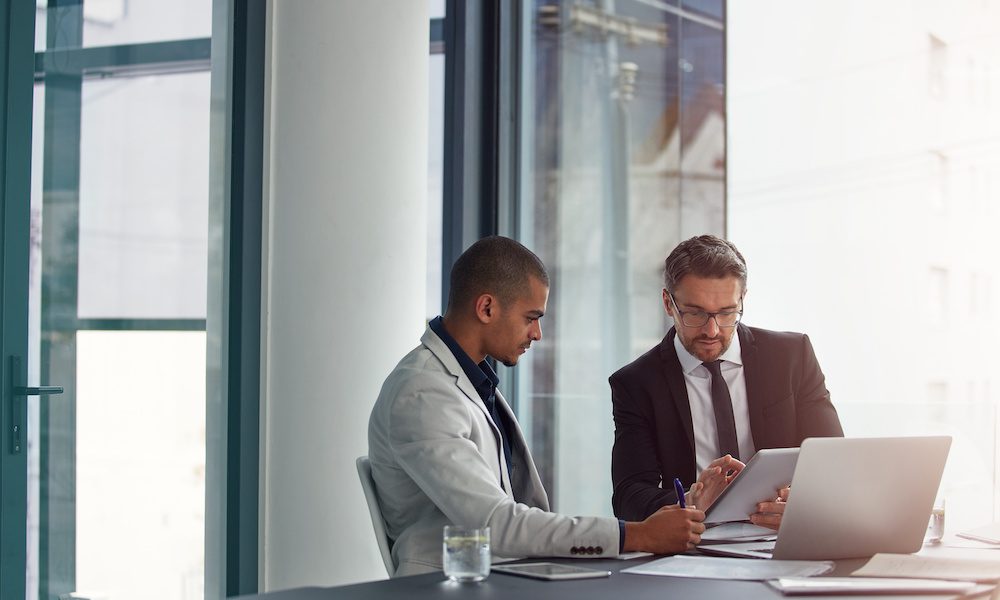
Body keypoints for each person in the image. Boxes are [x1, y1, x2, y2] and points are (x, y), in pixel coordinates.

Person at [369, 236, 711, 577]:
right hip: (449, 584)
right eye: (531, 317)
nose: (538, 334)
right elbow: (495, 523)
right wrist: (637, 534)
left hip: (503, 574)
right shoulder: (422, 393)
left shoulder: (471, 382)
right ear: (486, 308)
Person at [609, 235, 843, 528]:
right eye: (695, 313)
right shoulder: (636, 384)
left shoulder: (792, 357)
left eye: (726, 313)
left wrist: (804, 502)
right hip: (695, 543)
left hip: (782, 536)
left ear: (742, 299)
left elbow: (835, 463)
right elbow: (629, 497)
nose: (712, 330)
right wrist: (690, 501)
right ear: (668, 303)